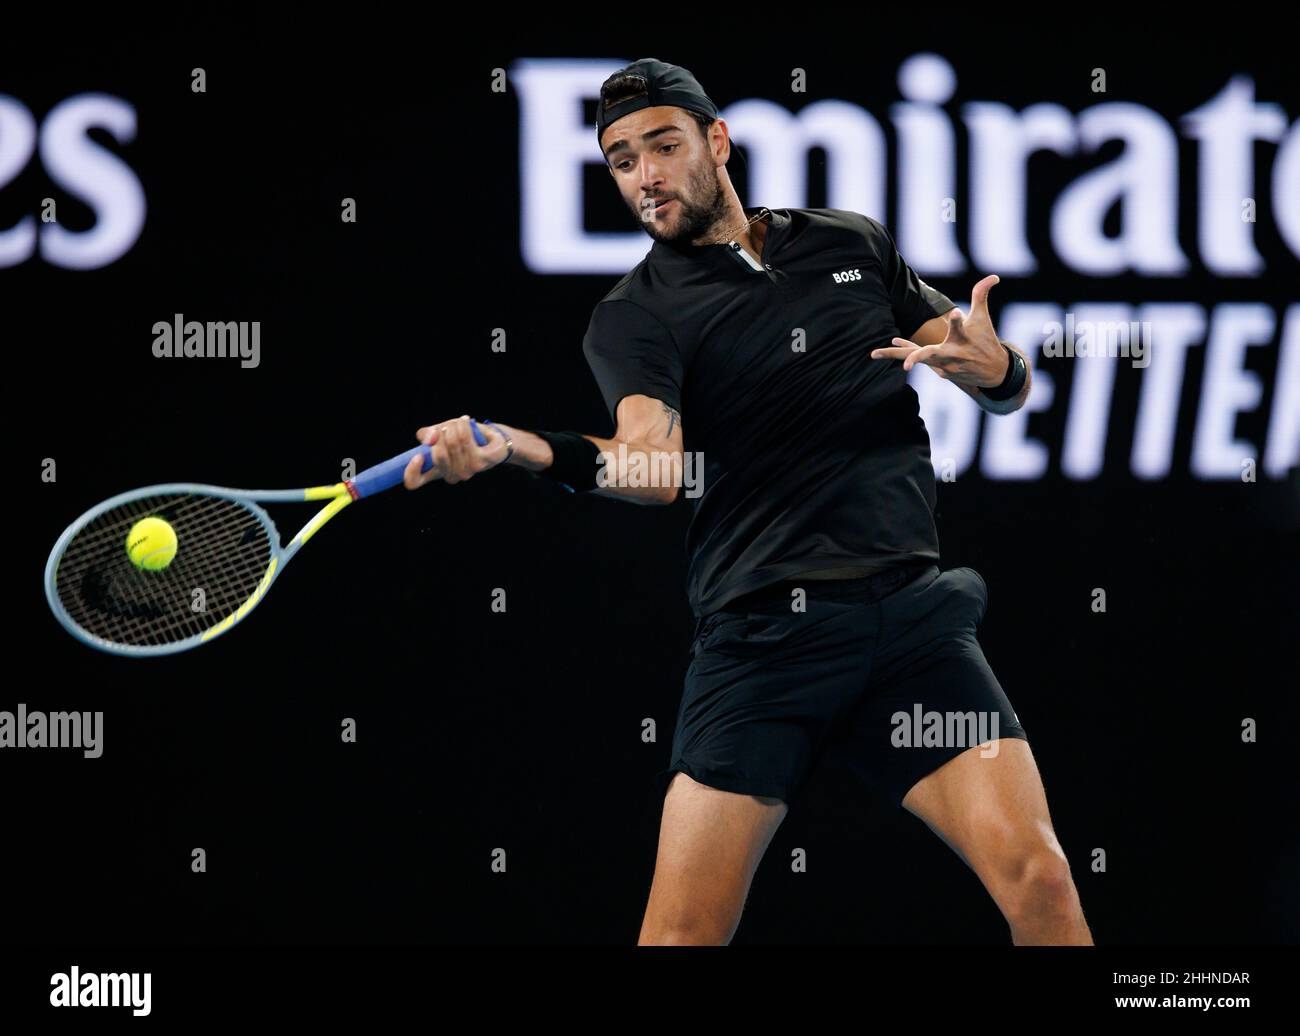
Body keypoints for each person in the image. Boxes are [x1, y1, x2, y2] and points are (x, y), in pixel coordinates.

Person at [405, 58, 1092, 946]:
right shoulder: (636, 316)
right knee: (682, 937)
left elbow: (988, 376)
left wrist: (999, 370)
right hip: (764, 646)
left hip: (910, 630)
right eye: (621, 160)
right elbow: (653, 466)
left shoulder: (851, 242)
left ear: (716, 141)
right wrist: (522, 447)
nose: (645, 175)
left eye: (663, 145)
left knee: (1042, 880)